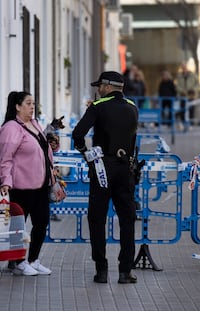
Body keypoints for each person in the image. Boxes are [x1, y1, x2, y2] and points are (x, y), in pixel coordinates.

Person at [72, 71, 139, 284]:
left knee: (97, 219)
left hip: (102, 168)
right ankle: (125, 271)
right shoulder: (132, 107)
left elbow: (77, 134)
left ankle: (101, 270)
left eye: (99, 85)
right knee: (127, 220)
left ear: (108, 86)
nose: (97, 89)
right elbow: (133, 138)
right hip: (125, 168)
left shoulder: (98, 106)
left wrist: (87, 155)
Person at [0, 91, 53, 276]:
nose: (32, 107)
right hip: (21, 186)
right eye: (28, 103)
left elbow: (41, 149)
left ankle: (33, 259)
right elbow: (5, 157)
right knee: (18, 225)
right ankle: (19, 262)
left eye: (33, 103)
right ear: (17, 106)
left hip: (41, 185)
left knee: (42, 222)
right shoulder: (11, 128)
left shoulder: (34, 124)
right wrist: (5, 180)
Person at [175, 63, 199, 128]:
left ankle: (190, 124)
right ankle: (183, 123)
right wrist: (182, 91)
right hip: (183, 96)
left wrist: (193, 90)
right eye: (182, 67)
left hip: (191, 96)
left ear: (187, 67)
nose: (184, 68)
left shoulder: (193, 75)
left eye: (185, 67)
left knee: (191, 110)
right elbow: (177, 86)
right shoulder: (179, 76)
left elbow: (197, 84)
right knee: (182, 110)